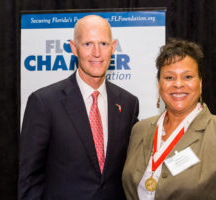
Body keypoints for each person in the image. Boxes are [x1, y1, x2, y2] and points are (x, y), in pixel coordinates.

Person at [122, 38, 216, 199]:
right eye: (169, 77)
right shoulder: (140, 130)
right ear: (159, 84)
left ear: (200, 83)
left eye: (188, 77)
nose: (178, 84)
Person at [18, 15, 139, 200]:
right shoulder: (44, 102)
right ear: (74, 48)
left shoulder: (128, 103)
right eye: (88, 44)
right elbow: (29, 178)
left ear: (113, 47)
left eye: (104, 44)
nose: (97, 52)